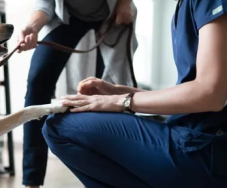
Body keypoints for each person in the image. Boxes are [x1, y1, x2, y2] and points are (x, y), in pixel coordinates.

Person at [41, 0, 227, 187]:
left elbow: (210, 93)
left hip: (207, 149)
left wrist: (122, 101)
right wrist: (117, 93)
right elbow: (193, 98)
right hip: (199, 140)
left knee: (60, 126)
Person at [17, 0, 138, 187]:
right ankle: (32, 180)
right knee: (37, 81)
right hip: (67, 18)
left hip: (112, 17)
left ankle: (118, 174)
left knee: (110, 91)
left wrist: (124, 1)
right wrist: (31, 27)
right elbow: (45, 4)